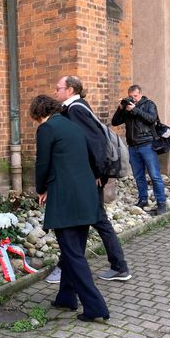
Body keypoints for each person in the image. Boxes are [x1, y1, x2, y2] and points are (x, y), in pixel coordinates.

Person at [30, 94, 110, 322]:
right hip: (85, 196)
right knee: (72, 251)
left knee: (73, 254)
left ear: (39, 113)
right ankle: (66, 297)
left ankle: (96, 307)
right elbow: (91, 157)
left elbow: (42, 162)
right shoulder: (73, 126)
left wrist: (40, 188)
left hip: (65, 198)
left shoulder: (47, 129)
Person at [45, 76, 131, 284]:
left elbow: (95, 143)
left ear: (71, 89)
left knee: (95, 220)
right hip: (88, 177)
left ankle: (115, 266)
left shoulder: (76, 110)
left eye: (59, 88)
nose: (56, 92)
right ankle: (114, 266)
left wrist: (97, 174)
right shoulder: (76, 108)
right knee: (92, 220)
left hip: (90, 179)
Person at [112, 85, 167, 215]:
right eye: (131, 96)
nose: (133, 99)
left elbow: (152, 119)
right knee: (138, 176)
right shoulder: (126, 107)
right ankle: (143, 200)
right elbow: (115, 122)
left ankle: (161, 204)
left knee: (155, 176)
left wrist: (135, 109)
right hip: (133, 146)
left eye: (135, 96)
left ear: (140, 94)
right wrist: (120, 109)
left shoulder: (149, 104)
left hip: (147, 145)